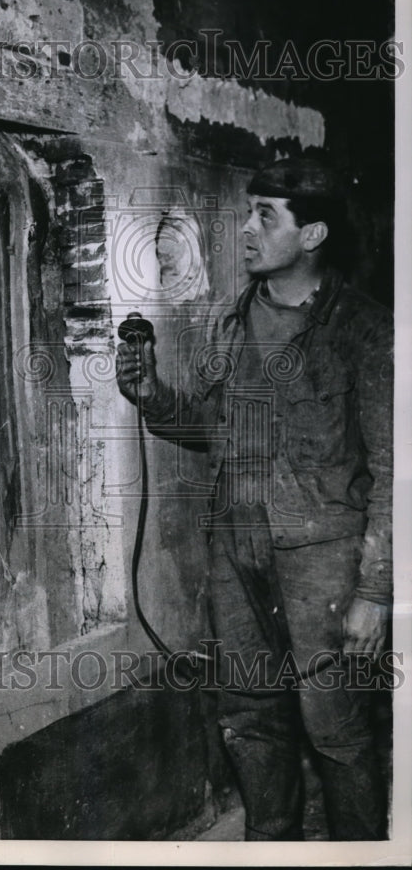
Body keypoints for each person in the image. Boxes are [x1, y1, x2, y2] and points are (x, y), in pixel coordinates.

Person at [116, 157, 392, 840]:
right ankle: (271, 850)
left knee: (334, 727)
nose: (245, 230)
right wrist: (148, 392)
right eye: (248, 212)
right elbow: (211, 429)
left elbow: (395, 468)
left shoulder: (365, 331)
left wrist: (375, 591)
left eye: (265, 216)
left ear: (313, 233)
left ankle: (360, 853)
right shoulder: (229, 324)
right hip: (234, 548)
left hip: (321, 557)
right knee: (246, 715)